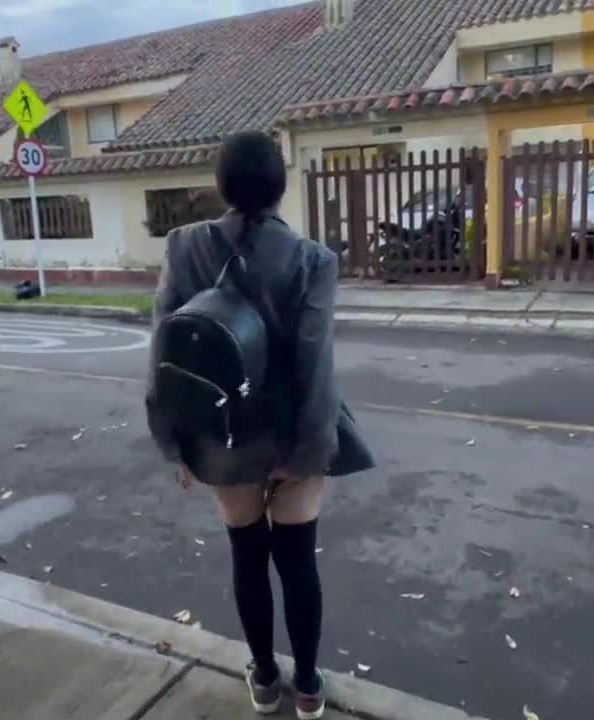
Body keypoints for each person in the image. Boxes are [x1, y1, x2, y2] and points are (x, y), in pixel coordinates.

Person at [146, 130, 373, 719]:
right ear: (281, 186)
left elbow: (164, 352)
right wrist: (308, 454)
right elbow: (315, 365)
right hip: (295, 435)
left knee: (246, 556)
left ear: (222, 186)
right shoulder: (312, 259)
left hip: (224, 438)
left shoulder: (183, 247)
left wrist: (177, 446)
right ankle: (309, 686)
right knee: (298, 562)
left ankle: (265, 680)